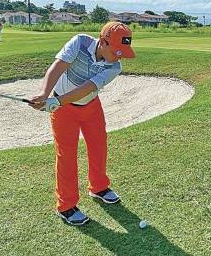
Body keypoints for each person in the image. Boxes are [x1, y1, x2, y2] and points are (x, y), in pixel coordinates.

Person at [29, 22, 136, 226]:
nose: (119, 56)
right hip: (63, 111)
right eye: (116, 51)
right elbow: (58, 67)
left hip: (91, 106)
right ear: (103, 42)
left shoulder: (115, 66)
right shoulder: (79, 42)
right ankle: (66, 206)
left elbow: (88, 88)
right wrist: (45, 95)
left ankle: (98, 187)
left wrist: (55, 101)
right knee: (66, 155)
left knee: (98, 146)